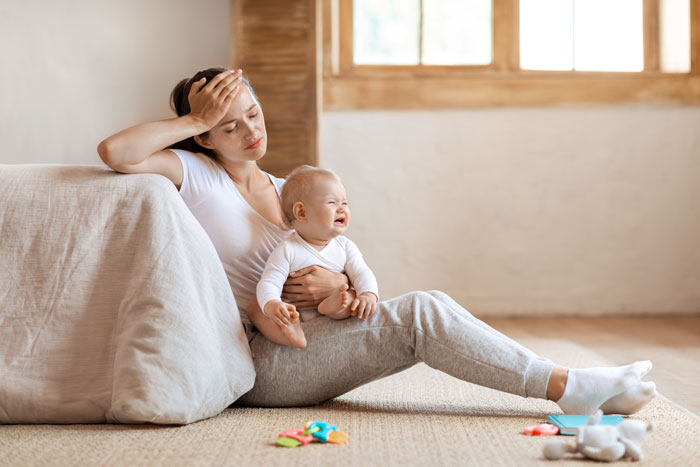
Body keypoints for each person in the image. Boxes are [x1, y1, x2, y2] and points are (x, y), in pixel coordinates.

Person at [98, 67, 657, 414]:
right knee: (418, 316)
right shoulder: (193, 175)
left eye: (252, 112)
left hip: (317, 334)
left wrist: (338, 282)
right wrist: (197, 116)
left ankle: (570, 382)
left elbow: (333, 261)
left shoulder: (283, 187)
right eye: (229, 125)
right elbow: (115, 153)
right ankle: (569, 387)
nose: (251, 131)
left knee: (428, 305)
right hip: (261, 360)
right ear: (203, 134)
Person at [253, 165, 379, 349]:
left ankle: (331, 307)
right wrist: (272, 304)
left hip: (335, 317)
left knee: (349, 300)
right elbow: (269, 282)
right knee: (257, 309)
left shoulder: (345, 247)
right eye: (332, 203)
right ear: (301, 212)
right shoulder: (288, 250)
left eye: (344, 203)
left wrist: (368, 294)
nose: (342, 209)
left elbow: (361, 272)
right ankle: (291, 332)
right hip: (301, 319)